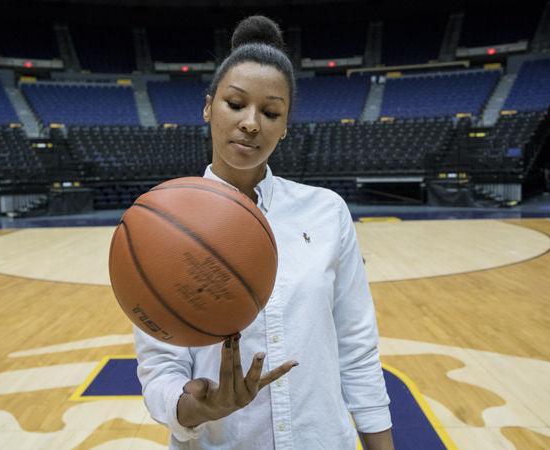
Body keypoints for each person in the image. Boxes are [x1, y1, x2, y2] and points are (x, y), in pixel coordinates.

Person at [134, 15, 394, 450]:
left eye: (270, 112)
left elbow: (357, 346)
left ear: (285, 124)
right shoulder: (164, 225)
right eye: (236, 104)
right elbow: (160, 368)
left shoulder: (327, 211)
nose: (251, 123)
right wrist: (194, 409)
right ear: (208, 106)